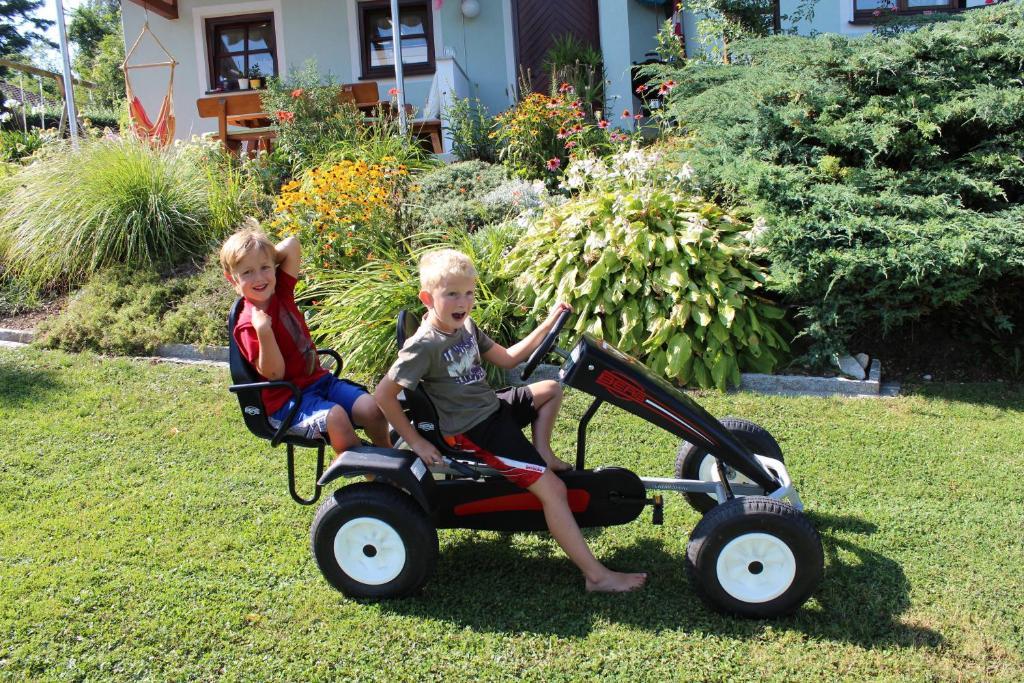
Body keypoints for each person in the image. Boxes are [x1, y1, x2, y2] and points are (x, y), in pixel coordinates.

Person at [374, 249, 647, 593]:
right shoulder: (423, 345)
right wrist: (416, 441)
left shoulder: (467, 326)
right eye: (452, 294)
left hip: (492, 407)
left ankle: (542, 452)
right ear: (428, 298)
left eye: (469, 293)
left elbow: (507, 359)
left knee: (550, 389)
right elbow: (384, 396)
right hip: (474, 430)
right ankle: (596, 576)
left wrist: (547, 324)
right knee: (554, 491)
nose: (464, 302)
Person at [221, 221, 390, 457]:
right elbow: (275, 374)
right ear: (233, 281)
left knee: (372, 409)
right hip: (286, 403)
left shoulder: (281, 293)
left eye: (264, 268)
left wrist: (267, 255)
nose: (259, 278)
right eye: (247, 272)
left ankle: (389, 460)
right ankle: (373, 482)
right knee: (337, 417)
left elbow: (292, 245)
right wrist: (264, 331)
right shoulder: (248, 324)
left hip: (318, 382)